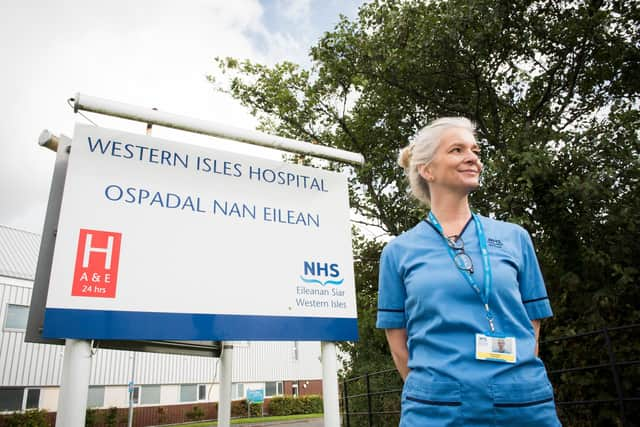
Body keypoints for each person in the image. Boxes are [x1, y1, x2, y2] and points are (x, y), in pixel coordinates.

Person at [376, 117, 561, 426]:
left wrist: (510, 382)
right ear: (428, 169)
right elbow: (398, 342)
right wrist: (439, 391)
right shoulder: (398, 252)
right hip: (436, 410)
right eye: (457, 150)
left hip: (522, 403)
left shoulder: (516, 237)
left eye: (475, 150)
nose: (473, 157)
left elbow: (532, 325)